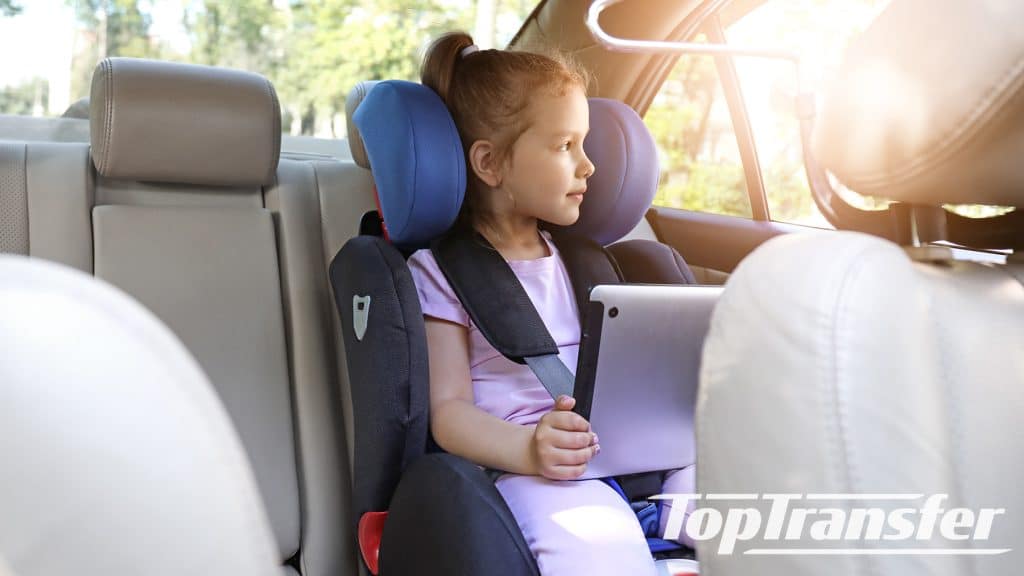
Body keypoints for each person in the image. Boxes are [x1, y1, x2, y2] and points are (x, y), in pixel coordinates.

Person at [406, 31, 695, 575]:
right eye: (565, 146)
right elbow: (449, 414)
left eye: (584, 144)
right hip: (535, 469)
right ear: (490, 164)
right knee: (600, 548)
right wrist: (530, 450)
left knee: (759, 512)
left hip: (635, 451)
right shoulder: (441, 272)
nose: (588, 165)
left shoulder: (588, 263)